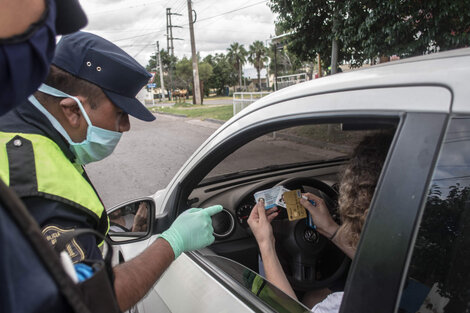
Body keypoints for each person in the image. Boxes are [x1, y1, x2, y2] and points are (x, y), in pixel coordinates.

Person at [0, 30, 223, 311]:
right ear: (72, 110)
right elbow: (94, 301)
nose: (126, 126)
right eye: (119, 112)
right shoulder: (42, 189)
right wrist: (173, 241)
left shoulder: (14, 122)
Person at [248, 130, 393, 312]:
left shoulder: (347, 304)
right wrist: (330, 229)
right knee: (314, 296)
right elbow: (385, 270)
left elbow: (289, 309)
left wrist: (265, 243)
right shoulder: (416, 261)